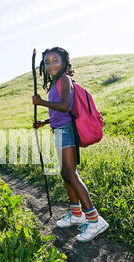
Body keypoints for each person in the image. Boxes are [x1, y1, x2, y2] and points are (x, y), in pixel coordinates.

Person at [32, 47, 108, 242]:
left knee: (70, 173)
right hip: (59, 130)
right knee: (65, 173)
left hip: (67, 131)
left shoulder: (64, 79)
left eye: (55, 60)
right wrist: (44, 122)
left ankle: (94, 219)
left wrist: (41, 103)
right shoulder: (56, 83)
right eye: (47, 62)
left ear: (65, 62)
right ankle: (76, 214)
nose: (50, 65)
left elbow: (65, 106)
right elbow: (62, 111)